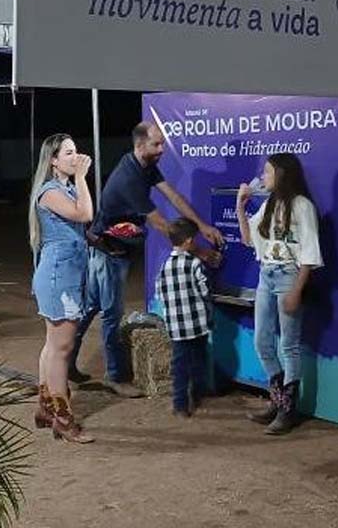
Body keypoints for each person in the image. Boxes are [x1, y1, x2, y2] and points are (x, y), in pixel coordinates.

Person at [69, 121, 224, 397]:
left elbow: (173, 196)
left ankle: (66, 361)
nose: (162, 149)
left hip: (108, 249)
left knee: (91, 307)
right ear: (140, 145)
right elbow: (162, 225)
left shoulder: (144, 164)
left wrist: (202, 226)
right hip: (109, 252)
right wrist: (202, 252)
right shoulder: (130, 178)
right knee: (111, 315)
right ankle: (114, 377)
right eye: (157, 144)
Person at [236, 153, 323, 435]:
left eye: (268, 171)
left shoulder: (302, 206)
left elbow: (309, 251)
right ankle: (278, 400)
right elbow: (249, 239)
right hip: (267, 275)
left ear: (282, 174)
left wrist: (297, 289)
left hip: (288, 276)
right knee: (262, 341)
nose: (263, 177)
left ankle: (288, 410)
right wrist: (240, 207)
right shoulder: (270, 204)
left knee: (289, 345)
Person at [28, 133, 94, 443]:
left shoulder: (63, 189)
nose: (75, 157)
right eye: (68, 153)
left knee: (52, 345)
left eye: (75, 151)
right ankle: (63, 419)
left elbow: (77, 226)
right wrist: (82, 177)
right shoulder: (50, 192)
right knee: (62, 348)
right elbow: (85, 214)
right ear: (53, 160)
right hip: (58, 279)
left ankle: (45, 408)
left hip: (63, 275)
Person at [155, 218, 213, 418]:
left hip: (176, 328)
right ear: (189, 241)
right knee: (198, 361)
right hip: (197, 325)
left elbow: (159, 294)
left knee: (179, 366)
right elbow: (205, 291)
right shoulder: (194, 264)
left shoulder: (165, 266)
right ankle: (197, 396)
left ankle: (179, 405)